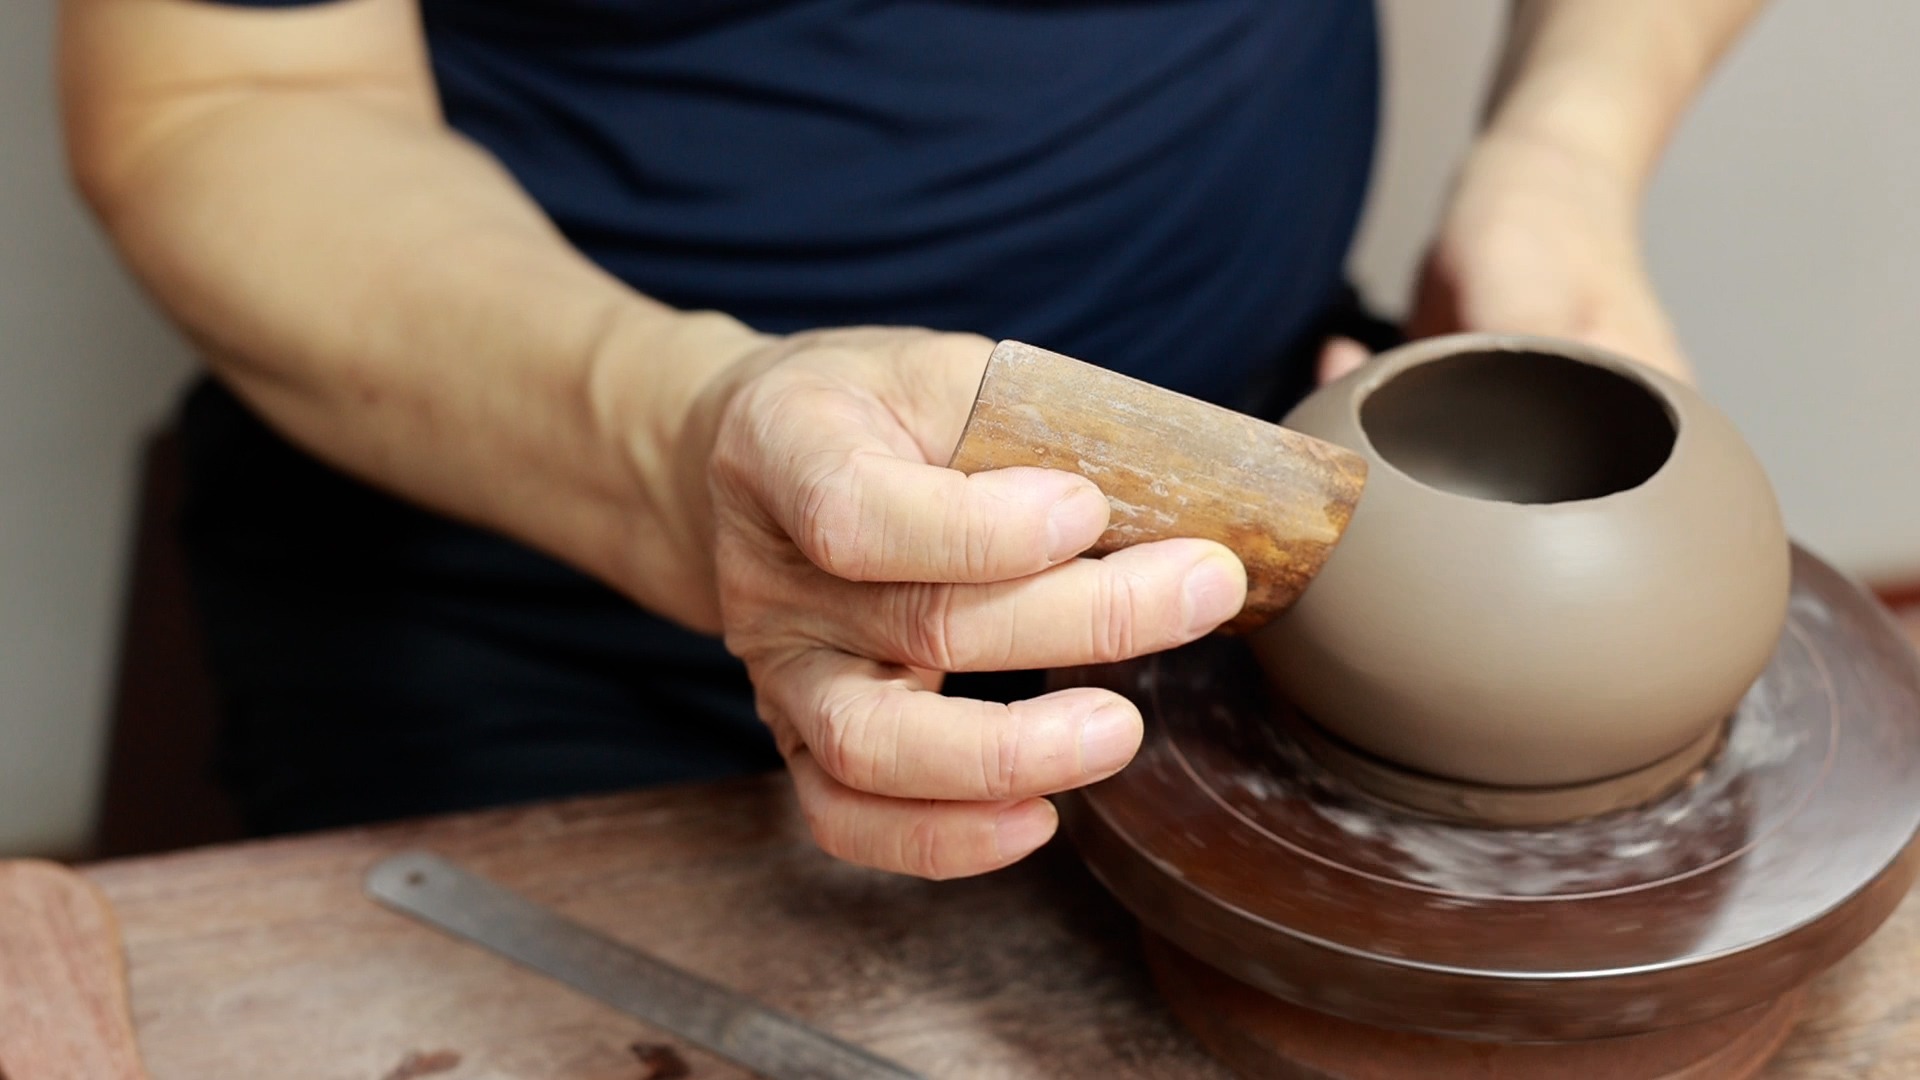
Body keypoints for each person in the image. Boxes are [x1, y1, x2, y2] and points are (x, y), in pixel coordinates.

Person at [61, 0, 1763, 879]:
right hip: (535, 563)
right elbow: (233, 99)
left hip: (1274, 529)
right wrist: (679, 442)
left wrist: (1565, 156)